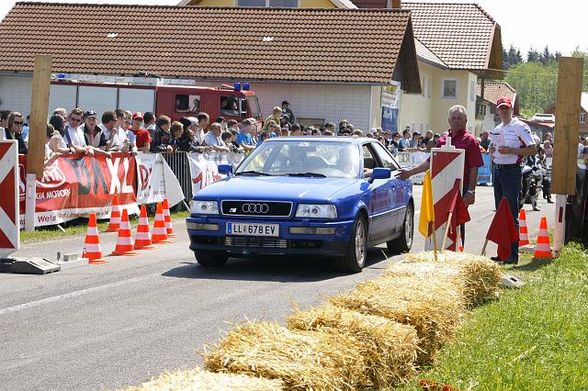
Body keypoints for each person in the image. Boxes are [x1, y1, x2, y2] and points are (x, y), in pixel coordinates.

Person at [400, 105, 484, 246]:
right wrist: (410, 173)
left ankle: (458, 251)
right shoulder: (442, 140)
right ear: (448, 120)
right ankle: (440, 249)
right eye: (453, 118)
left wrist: (471, 191)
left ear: (466, 120)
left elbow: (474, 167)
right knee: (440, 220)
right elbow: (429, 163)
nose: (456, 121)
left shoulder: (471, 141)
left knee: (457, 221)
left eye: (460, 118)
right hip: (440, 188)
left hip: (460, 189)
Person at [488, 97, 537, 264]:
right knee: (500, 212)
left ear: (511, 109)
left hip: (512, 172)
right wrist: (492, 150)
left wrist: (511, 150)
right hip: (498, 170)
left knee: (511, 212)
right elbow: (493, 151)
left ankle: (513, 254)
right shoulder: (497, 128)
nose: (504, 111)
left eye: (506, 108)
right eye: (501, 108)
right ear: (497, 110)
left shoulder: (520, 126)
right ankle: (503, 252)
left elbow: (533, 149)